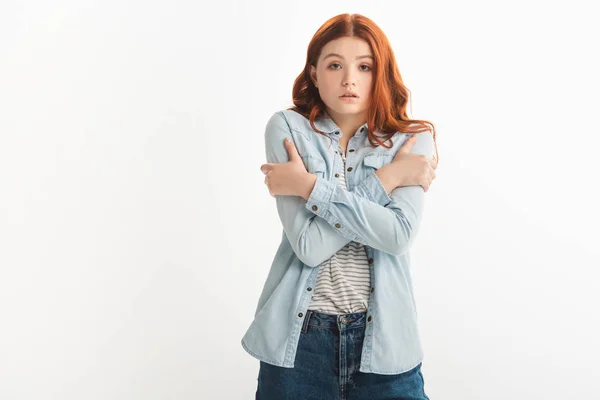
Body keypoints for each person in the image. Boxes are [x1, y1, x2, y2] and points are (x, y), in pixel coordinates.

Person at [241, 13, 439, 400]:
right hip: (299, 345)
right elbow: (310, 246)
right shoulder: (287, 129)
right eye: (335, 65)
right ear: (314, 73)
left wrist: (309, 187)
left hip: (384, 344)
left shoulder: (411, 141)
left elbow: (398, 236)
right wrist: (390, 178)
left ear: (379, 73)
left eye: (364, 66)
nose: (350, 79)